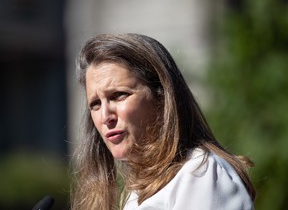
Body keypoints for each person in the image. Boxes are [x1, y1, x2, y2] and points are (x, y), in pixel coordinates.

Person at [71, 33, 256, 210]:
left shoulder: (200, 173)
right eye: (95, 104)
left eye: (119, 95)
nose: (105, 116)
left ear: (162, 97)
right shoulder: (138, 192)